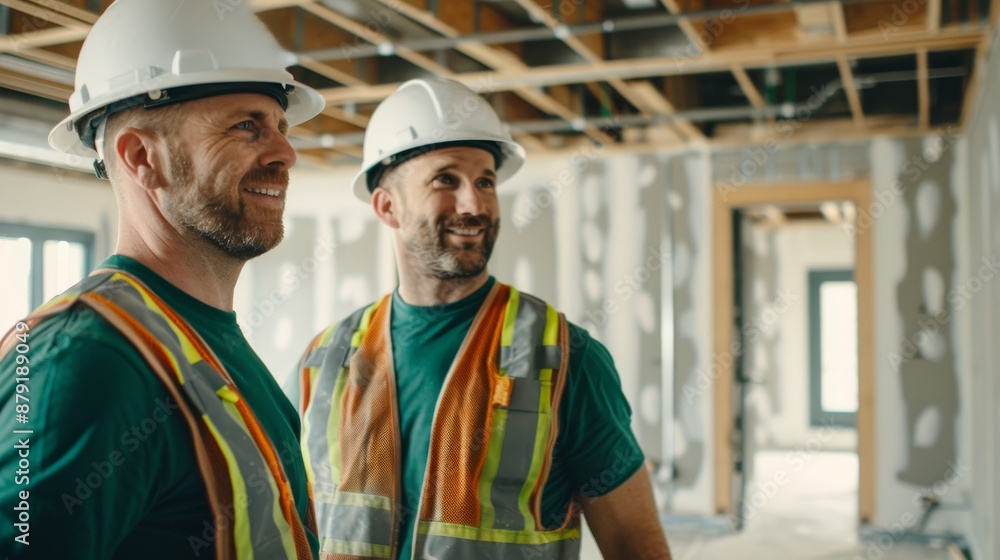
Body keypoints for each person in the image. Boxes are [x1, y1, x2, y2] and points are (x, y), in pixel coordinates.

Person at [285, 78, 671, 559]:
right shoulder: (324, 361)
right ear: (388, 207)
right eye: (446, 179)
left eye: (485, 181)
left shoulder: (566, 358)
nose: (474, 204)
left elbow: (635, 543)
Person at [0, 0, 326, 558]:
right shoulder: (84, 357)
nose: (286, 152)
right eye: (246, 126)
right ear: (142, 157)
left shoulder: (201, 336)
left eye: (279, 125)